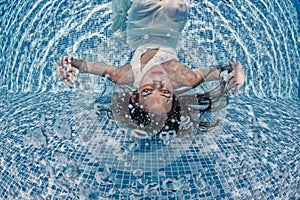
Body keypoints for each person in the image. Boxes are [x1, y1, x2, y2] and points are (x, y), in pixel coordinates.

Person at [55, 0, 245, 134]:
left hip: (137, 35)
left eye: (147, 91)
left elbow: (91, 67)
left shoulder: (128, 76)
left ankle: (120, 14)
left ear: (135, 95)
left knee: (145, 3)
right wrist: (236, 73)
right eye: (164, 92)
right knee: (178, 6)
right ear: (175, 95)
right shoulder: (183, 78)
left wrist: (70, 64)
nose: (157, 82)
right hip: (171, 35)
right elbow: (222, 72)